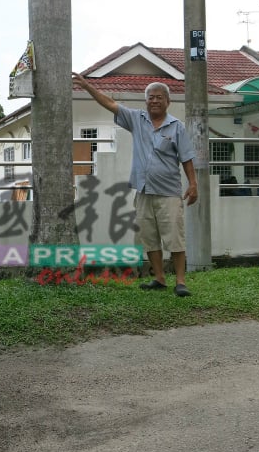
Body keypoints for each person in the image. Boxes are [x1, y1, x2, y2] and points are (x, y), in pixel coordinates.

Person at [72, 72, 198, 297]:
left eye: (160, 97)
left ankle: (180, 281)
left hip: (169, 192)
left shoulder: (176, 127)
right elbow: (110, 103)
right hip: (144, 191)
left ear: (168, 102)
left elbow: (186, 157)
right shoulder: (137, 120)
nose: (155, 100)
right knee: (149, 238)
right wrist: (87, 86)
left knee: (175, 238)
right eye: (151, 97)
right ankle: (159, 278)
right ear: (146, 101)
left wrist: (193, 184)